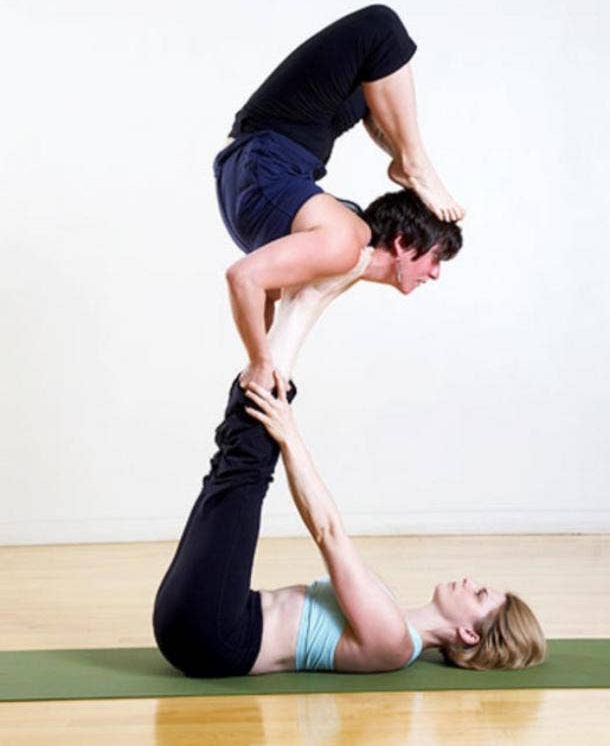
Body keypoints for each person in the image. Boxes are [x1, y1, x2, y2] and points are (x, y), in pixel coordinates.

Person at [153, 282, 546, 678]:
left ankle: (301, 308)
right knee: (229, 470)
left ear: (468, 635)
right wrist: (286, 434)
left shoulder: (393, 641)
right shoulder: (392, 615)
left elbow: (328, 532)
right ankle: (295, 313)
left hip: (212, 634)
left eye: (479, 594)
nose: (469, 580)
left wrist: (290, 436)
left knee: (242, 471)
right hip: (208, 621)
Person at [213, 5, 466, 391]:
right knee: (372, 81)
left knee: (382, 28)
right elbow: (262, 289)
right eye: (436, 258)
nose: (435, 273)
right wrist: (261, 361)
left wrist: (260, 362)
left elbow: (244, 277)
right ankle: (405, 159)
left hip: (274, 145)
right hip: (265, 164)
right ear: (402, 241)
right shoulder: (340, 251)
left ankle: (411, 161)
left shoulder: (344, 248)